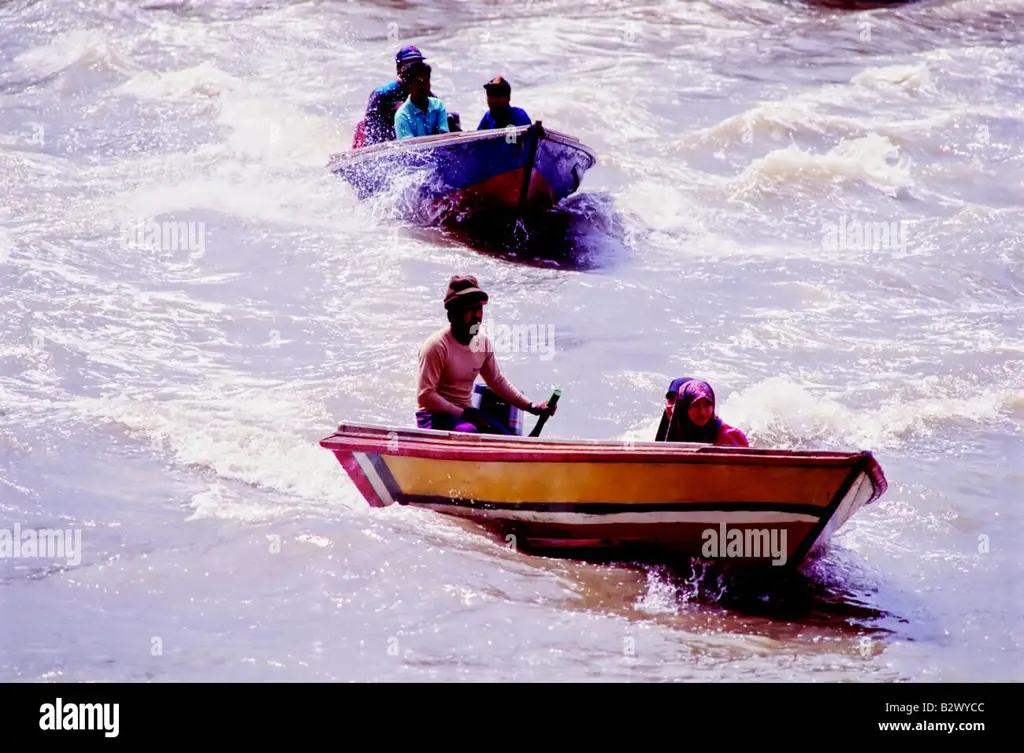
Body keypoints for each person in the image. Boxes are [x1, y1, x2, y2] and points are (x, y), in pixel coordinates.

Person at [416, 275, 556, 433]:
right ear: (454, 313)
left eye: (479, 309)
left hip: (467, 414)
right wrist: (463, 413)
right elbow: (425, 396)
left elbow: (496, 381)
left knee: (506, 437)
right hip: (435, 416)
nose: (477, 316)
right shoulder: (436, 346)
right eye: (471, 309)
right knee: (472, 433)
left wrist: (532, 407)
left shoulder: (482, 343)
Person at [356, 47, 460, 148]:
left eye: (418, 63)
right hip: (392, 146)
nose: (416, 67)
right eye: (411, 63)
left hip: (420, 142)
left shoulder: (428, 94)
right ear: (398, 68)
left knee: (452, 117)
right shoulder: (382, 95)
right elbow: (372, 131)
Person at [654, 377, 749, 447]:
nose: (702, 412)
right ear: (682, 407)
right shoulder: (673, 435)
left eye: (707, 404)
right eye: (694, 405)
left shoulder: (731, 437)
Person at [394, 62, 450, 140]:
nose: (424, 86)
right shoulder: (402, 116)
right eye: (419, 82)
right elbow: (409, 149)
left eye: (426, 81)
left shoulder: (438, 106)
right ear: (409, 85)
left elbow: (445, 138)